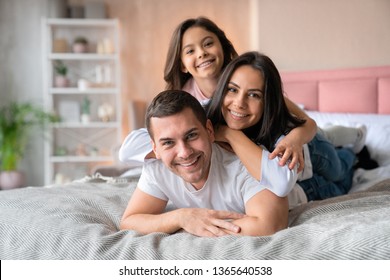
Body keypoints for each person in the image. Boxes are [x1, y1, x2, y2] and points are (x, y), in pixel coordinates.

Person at [119, 16, 318, 172]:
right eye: (190, 51)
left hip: (308, 142)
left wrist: (294, 139)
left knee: (333, 146)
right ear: (181, 64)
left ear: (223, 47)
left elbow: (307, 122)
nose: (201, 53)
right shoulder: (184, 102)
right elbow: (142, 145)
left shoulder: (247, 80)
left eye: (207, 44)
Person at [120, 90, 299, 237]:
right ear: (155, 148)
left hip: (309, 180)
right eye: (168, 143)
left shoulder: (244, 163)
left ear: (209, 130)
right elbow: (129, 221)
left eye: (191, 135)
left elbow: (269, 225)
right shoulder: (156, 167)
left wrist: (194, 228)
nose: (184, 153)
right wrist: (181, 218)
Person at [206, 51, 359, 202]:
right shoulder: (206, 118)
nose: (239, 103)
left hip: (311, 149)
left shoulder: (278, 132)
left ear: (267, 102)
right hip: (297, 170)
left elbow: (309, 123)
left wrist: (295, 139)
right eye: (232, 89)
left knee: (338, 171)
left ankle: (353, 149)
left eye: (254, 95)